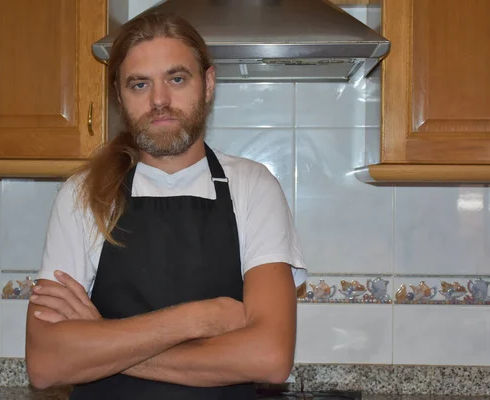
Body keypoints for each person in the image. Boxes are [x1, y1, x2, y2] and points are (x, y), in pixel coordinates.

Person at [25, 11, 307, 400]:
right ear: (119, 96)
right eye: (139, 84)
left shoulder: (253, 188)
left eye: (176, 79)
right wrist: (197, 319)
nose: (159, 101)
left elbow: (269, 358)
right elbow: (45, 364)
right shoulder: (83, 195)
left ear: (208, 84)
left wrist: (104, 338)